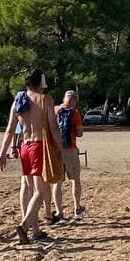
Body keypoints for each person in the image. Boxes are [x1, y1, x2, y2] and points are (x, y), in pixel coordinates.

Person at [0, 68, 62, 245]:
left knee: (30, 189)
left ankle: (36, 230)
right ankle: (25, 225)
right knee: (41, 191)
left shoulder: (19, 100)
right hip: (39, 147)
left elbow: (10, 129)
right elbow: (54, 127)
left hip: (24, 147)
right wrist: (60, 149)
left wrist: (2, 153)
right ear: (40, 82)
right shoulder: (45, 99)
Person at [51, 90, 85, 221]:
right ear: (74, 100)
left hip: (56, 150)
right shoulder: (75, 113)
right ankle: (77, 207)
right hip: (70, 149)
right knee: (75, 179)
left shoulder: (54, 110)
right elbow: (79, 133)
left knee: (57, 183)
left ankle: (59, 212)